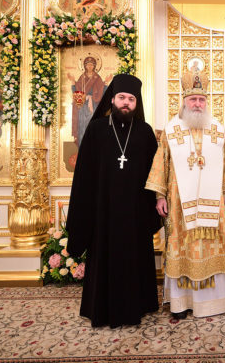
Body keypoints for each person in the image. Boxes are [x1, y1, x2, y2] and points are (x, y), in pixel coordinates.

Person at [66, 74, 160, 328]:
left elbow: (156, 174)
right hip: (103, 212)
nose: (126, 103)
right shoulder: (97, 130)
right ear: (112, 99)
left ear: (137, 103)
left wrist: (155, 205)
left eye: (131, 99)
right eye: (122, 98)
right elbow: (84, 175)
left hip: (136, 213)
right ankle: (102, 308)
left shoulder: (145, 132)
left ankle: (138, 305)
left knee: (135, 258)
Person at [146, 70, 225, 320]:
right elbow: (160, 163)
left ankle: (211, 304)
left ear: (206, 102)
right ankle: (180, 303)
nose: (197, 104)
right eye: (193, 99)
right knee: (181, 248)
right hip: (178, 205)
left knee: (207, 248)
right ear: (184, 101)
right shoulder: (172, 129)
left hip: (212, 205)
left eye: (201, 100)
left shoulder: (218, 129)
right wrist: (159, 196)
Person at [68, 56, 113, 146]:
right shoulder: (82, 77)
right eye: (87, 65)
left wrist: (106, 82)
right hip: (83, 108)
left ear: (94, 66)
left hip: (94, 106)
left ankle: (93, 147)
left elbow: (102, 93)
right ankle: (82, 146)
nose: (89, 66)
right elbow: (76, 93)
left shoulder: (97, 78)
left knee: (93, 125)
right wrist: (73, 82)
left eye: (91, 65)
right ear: (85, 66)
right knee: (82, 126)